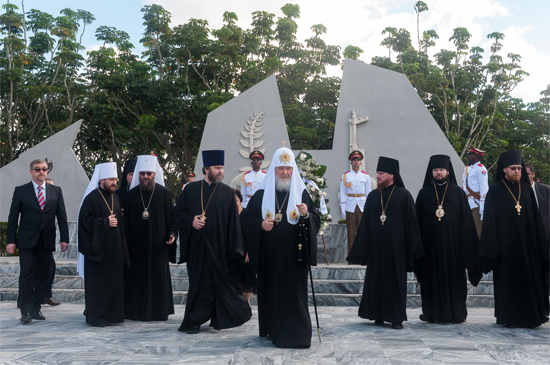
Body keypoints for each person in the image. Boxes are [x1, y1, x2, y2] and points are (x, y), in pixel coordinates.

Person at [241, 146, 320, 348]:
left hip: (295, 257)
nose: (285, 172)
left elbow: (315, 220)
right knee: (273, 292)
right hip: (271, 257)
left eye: (288, 169)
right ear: (274, 169)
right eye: (280, 169)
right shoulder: (261, 194)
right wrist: (260, 224)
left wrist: (306, 215)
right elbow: (245, 219)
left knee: (295, 295)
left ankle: (297, 334)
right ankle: (274, 330)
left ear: (293, 170)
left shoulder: (301, 193)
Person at [176, 150, 251, 334]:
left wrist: (237, 251)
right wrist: (190, 221)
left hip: (220, 250)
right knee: (199, 284)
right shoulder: (191, 190)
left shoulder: (227, 193)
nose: (221, 171)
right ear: (206, 169)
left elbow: (234, 224)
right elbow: (177, 214)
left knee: (218, 284)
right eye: (217, 168)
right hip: (197, 249)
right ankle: (193, 321)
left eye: (222, 168)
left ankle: (218, 319)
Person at [347, 156, 423, 330]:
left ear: (391, 175)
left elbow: (411, 224)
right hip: (377, 250)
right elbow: (365, 224)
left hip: (397, 250)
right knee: (376, 281)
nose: (378, 176)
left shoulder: (404, 195)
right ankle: (376, 315)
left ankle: (395, 318)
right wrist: (363, 247)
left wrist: (412, 250)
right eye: (377, 173)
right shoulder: (374, 196)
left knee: (395, 282)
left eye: (381, 173)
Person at [478, 150, 548, 328]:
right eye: (513, 168)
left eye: (519, 168)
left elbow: (535, 219)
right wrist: (492, 247)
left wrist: (541, 245)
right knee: (508, 284)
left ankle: (532, 317)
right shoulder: (495, 190)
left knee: (530, 281)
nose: (517, 171)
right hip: (506, 248)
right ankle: (509, 318)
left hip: (527, 247)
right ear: (504, 169)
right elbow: (490, 221)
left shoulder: (526, 190)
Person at [414, 155, 481, 323]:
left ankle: (456, 313)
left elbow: (466, 223)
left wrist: (467, 248)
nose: (438, 173)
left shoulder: (458, 192)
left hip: (453, 250)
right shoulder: (424, 194)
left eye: (441, 170)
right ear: (432, 172)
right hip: (430, 250)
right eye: (436, 170)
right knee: (431, 281)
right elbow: (417, 223)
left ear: (448, 172)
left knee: (454, 282)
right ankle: (431, 313)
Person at [7, 159, 69, 324]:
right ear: (31, 172)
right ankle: (25, 310)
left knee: (43, 275)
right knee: (26, 274)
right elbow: (13, 218)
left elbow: (62, 216)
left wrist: (64, 238)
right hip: (27, 240)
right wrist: (10, 240)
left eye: (44, 169)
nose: (41, 172)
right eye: (38, 169)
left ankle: (35, 308)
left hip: (46, 239)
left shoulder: (56, 191)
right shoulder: (21, 191)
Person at [124, 155, 178, 321]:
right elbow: (126, 223)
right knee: (136, 279)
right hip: (136, 247)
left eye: (149, 173)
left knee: (158, 278)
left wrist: (172, 234)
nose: (145, 176)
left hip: (158, 246)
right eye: (142, 174)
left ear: (155, 174)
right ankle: (135, 312)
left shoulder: (164, 193)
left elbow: (172, 219)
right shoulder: (131, 195)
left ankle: (159, 312)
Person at [78, 162, 130, 327]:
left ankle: (113, 316)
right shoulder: (91, 199)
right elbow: (85, 223)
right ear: (101, 180)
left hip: (115, 250)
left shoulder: (115, 198)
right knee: (99, 287)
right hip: (98, 253)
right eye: (110, 180)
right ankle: (97, 317)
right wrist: (104, 222)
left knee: (114, 286)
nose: (114, 182)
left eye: (115, 179)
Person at [525, 163, 550, 321]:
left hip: (544, 240)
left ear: (533, 174)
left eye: (528, 173)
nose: (525, 176)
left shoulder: (546, 191)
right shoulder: (516, 192)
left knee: (543, 276)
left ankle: (544, 309)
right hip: (525, 241)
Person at [340, 150, 372, 252]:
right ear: (351, 162)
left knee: (363, 232)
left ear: (361, 162)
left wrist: (368, 208)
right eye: (354, 160)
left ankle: (362, 255)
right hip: (350, 206)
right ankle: (351, 255)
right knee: (351, 233)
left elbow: (368, 193)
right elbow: (343, 193)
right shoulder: (345, 176)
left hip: (362, 205)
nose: (356, 162)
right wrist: (343, 210)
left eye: (358, 160)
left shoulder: (365, 176)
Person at [232, 188, 256, 304]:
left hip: (245, 251)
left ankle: (246, 304)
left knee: (246, 280)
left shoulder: (247, 214)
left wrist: (249, 252)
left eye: (236, 200)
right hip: (232, 252)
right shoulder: (228, 216)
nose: (234, 202)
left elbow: (252, 234)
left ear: (240, 201)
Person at [461, 147, 489, 238]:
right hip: (468, 203)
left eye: (470, 155)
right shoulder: (468, 169)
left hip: (477, 204)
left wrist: (482, 207)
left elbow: (484, 188)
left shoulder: (481, 169)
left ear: (477, 156)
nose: (468, 157)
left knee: (477, 231)